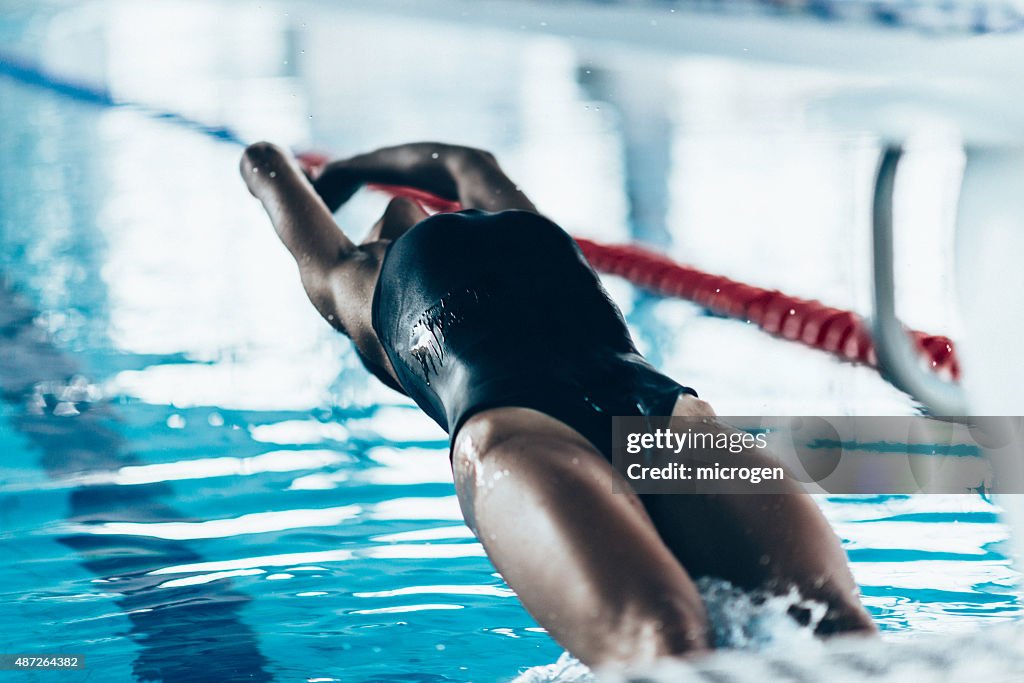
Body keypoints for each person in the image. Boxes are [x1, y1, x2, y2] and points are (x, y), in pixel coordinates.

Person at [240, 141, 876, 670]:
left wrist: (349, 172)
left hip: (658, 414)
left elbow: (465, 162)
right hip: (521, 437)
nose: (401, 205)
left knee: (836, 631)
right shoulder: (351, 283)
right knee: (664, 646)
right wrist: (341, 173)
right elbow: (265, 164)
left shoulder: (511, 226)